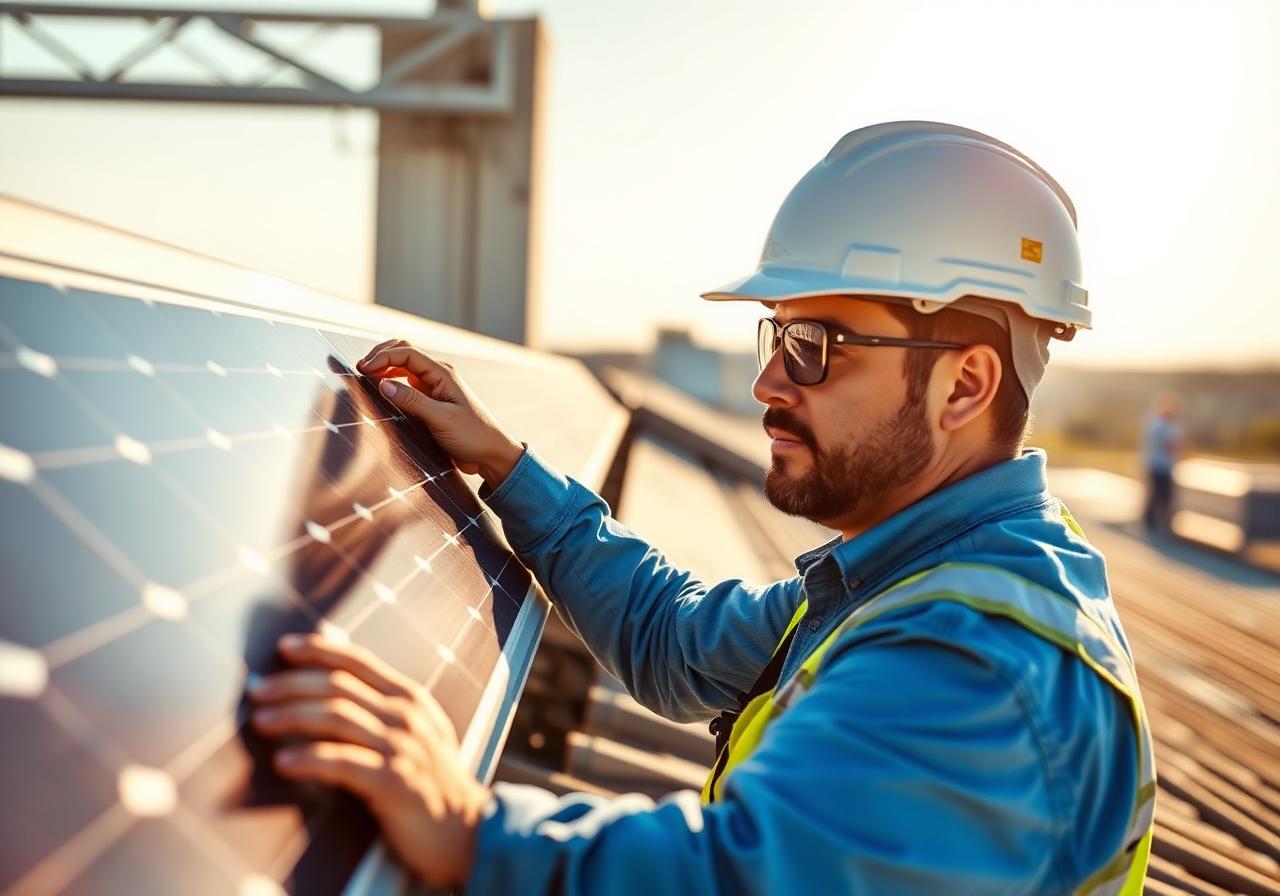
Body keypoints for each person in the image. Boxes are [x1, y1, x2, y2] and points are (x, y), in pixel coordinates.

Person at [248, 122, 1155, 894]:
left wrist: (470, 828)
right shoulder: (908, 579)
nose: (767, 381)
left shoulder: (977, 664)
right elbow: (673, 641)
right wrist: (505, 465)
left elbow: (737, 879)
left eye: (815, 346)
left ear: (965, 384)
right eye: (776, 336)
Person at [1142, 392, 1183, 531]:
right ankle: (1156, 521)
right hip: (1160, 465)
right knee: (1162, 494)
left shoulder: (1158, 423)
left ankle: (1153, 520)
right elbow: (1168, 445)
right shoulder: (1161, 426)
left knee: (1158, 494)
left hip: (1159, 464)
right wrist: (1180, 451)